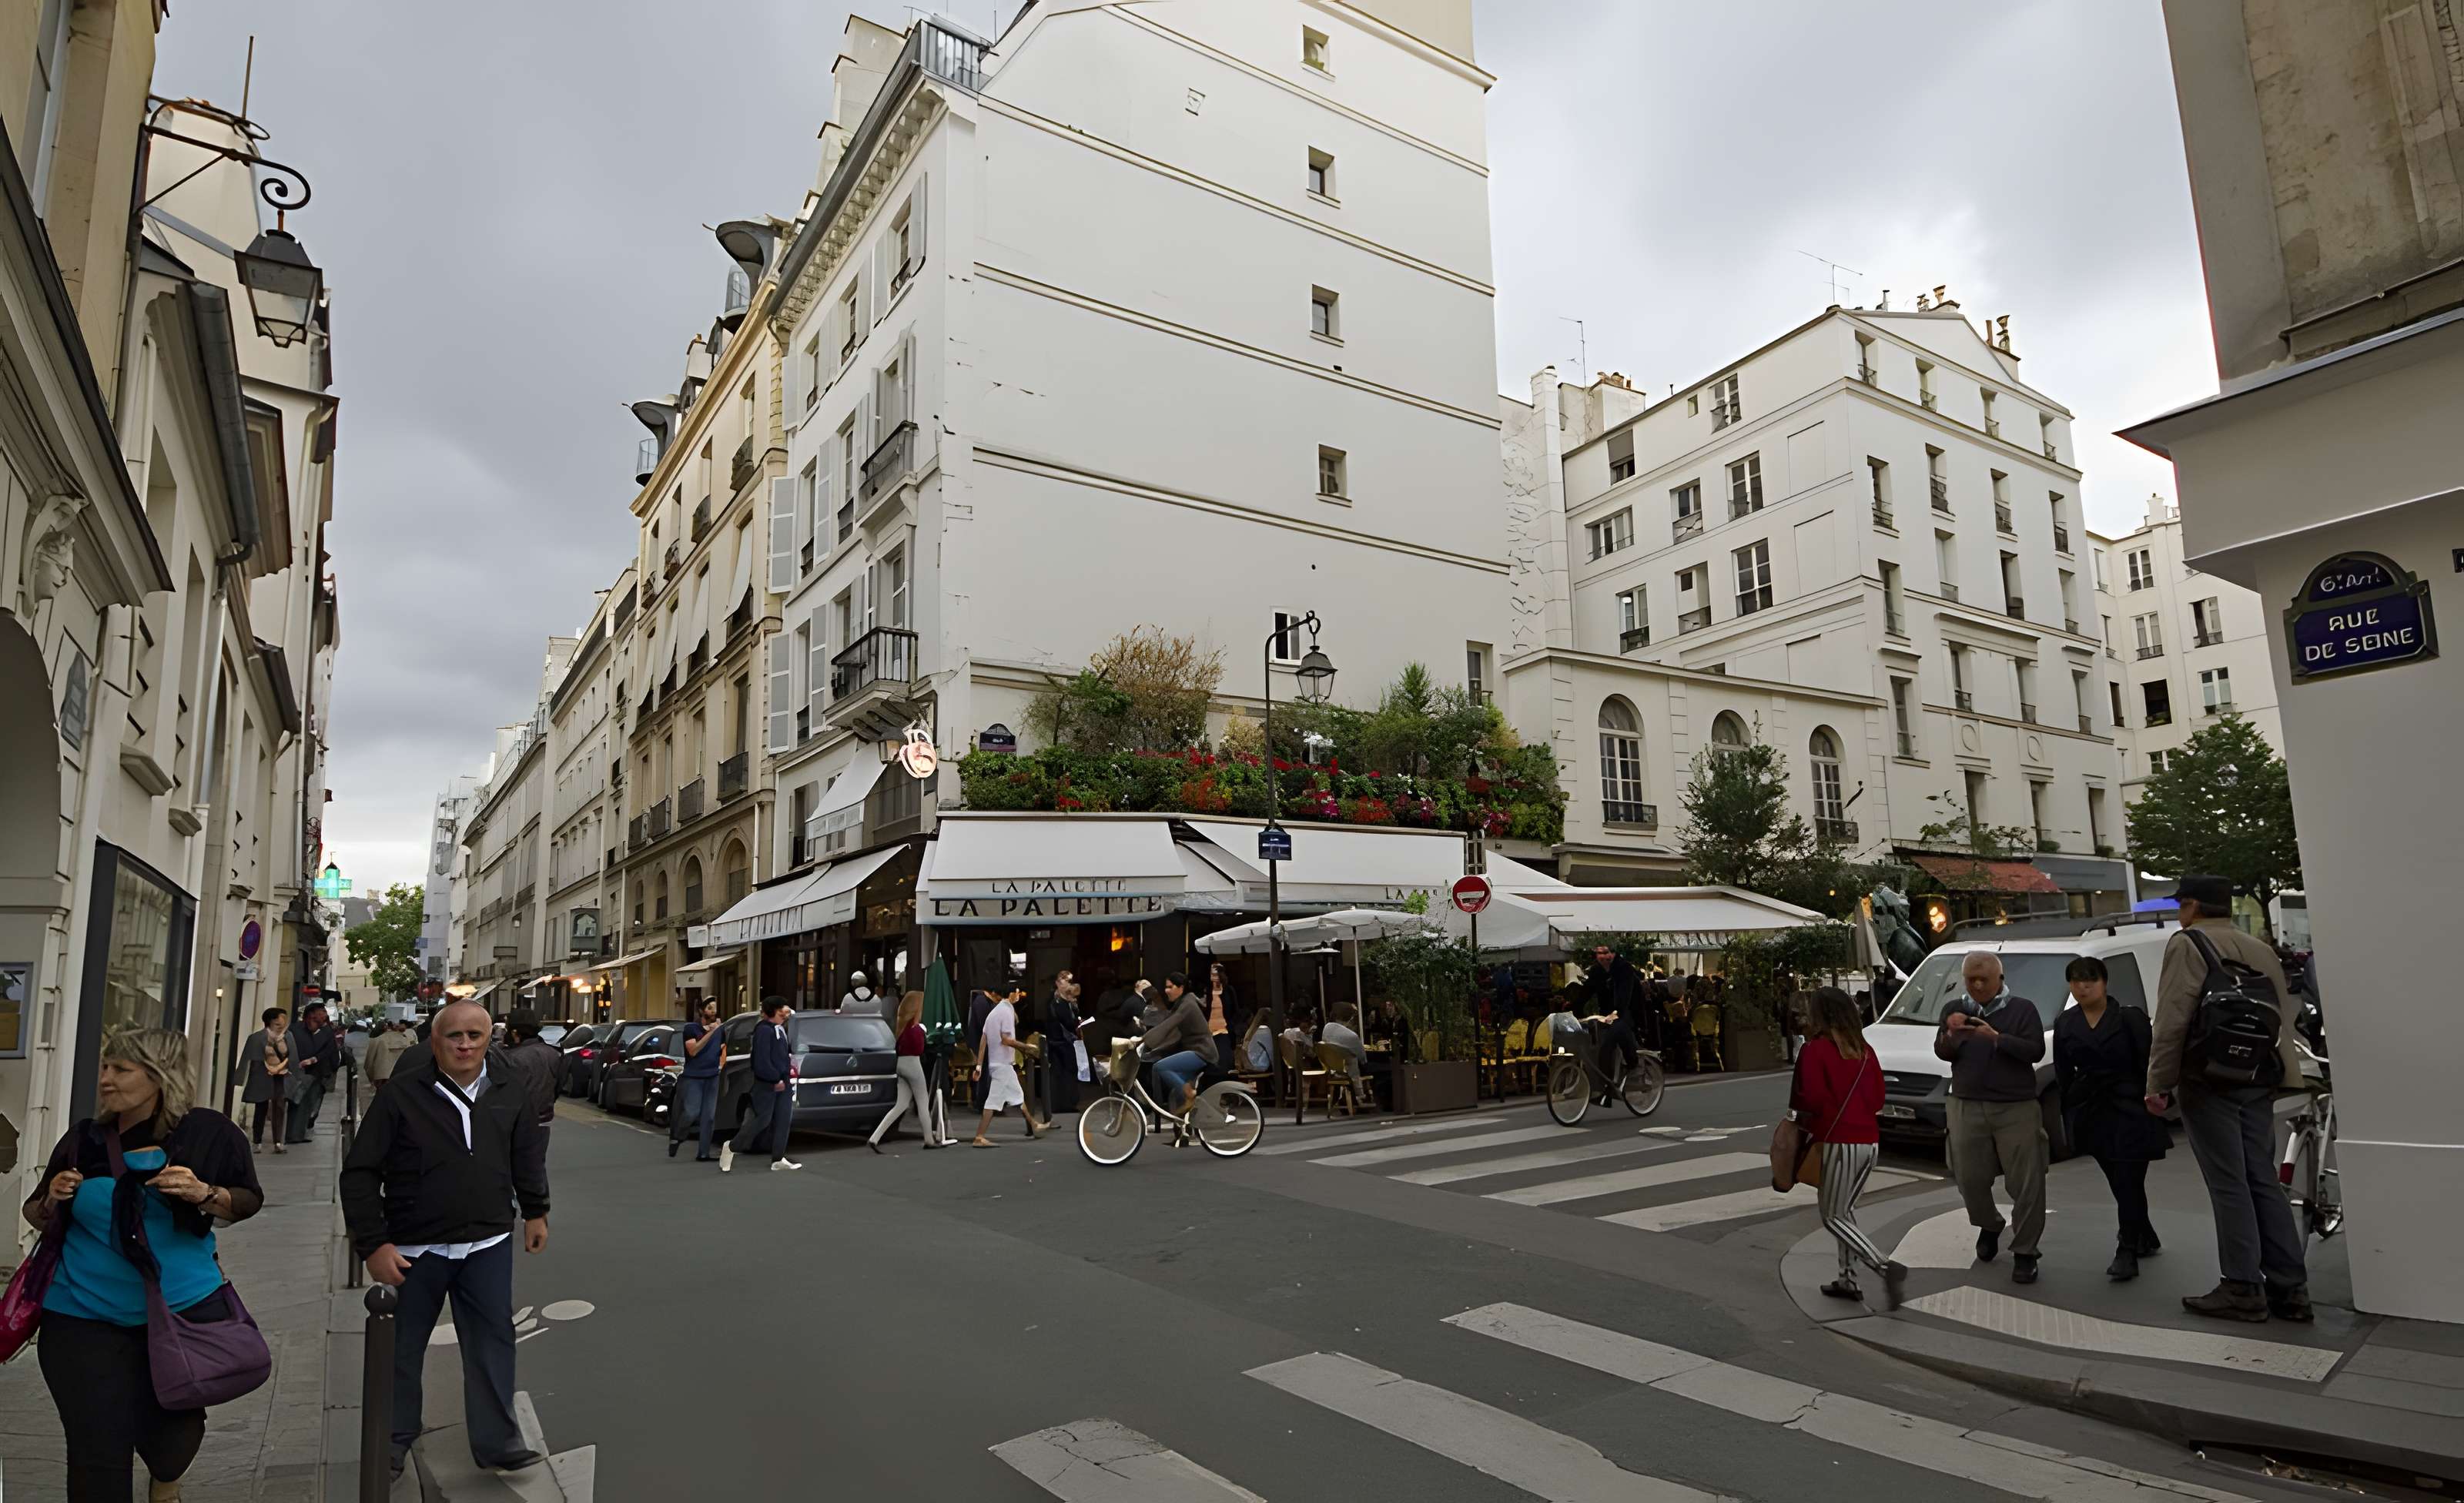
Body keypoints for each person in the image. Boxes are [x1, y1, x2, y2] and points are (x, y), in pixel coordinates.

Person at [25, 1027, 262, 1503]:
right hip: (81, 1317)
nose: (106, 1080)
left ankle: (166, 1479)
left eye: (121, 1069)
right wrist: (51, 1198)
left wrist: (205, 1194)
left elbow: (247, 1200)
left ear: (159, 1076)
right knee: (97, 1450)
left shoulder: (208, 1133)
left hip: (182, 1310)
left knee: (174, 1433)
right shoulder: (84, 1140)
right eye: (105, 1068)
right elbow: (35, 1212)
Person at [340, 1001, 548, 1481]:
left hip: (487, 1244)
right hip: (416, 1250)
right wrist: (373, 1245)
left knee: (494, 1344)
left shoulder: (507, 1091)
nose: (465, 1044)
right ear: (435, 1043)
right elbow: (360, 1173)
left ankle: (498, 1443)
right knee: (401, 1352)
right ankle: (390, 1446)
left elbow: (526, 1157)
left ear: (489, 1038)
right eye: (454, 1036)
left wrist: (536, 1211)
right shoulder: (401, 1097)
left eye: (475, 1035)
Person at [2146, 875, 2310, 1321]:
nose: (2180, 911)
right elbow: (2281, 1017)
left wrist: (2158, 1083)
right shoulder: (2258, 947)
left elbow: (2172, 1020)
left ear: (2194, 906)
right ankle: (2290, 1289)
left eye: (2181, 904)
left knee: (2228, 1182)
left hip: (2209, 1080)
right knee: (2261, 1177)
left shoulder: (2188, 943)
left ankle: (2241, 1287)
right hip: (2259, 1078)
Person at [1935, 950, 2049, 1284]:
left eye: (1985, 979)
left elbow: (2035, 1051)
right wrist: (1950, 1036)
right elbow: (1942, 1052)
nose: (1978, 985)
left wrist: (1997, 1038)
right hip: (1966, 1103)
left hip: (2015, 1106)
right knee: (1968, 1177)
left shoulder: (2022, 1009)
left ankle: (2026, 1252)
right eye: (1972, 979)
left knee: (2027, 1182)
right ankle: (1989, 1223)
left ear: (2001, 978)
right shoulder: (1954, 1009)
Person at [1791, 986, 1907, 1310]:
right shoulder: (1864, 1049)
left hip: (1836, 1139)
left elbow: (1810, 1099)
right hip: (1869, 1141)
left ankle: (1883, 1266)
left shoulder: (1815, 1050)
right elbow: (1878, 1100)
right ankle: (1847, 1279)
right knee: (1847, 1211)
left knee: (1832, 1216)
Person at [2054, 956, 2168, 1281]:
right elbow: (2063, 1074)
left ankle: (2127, 1248)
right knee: (2118, 1180)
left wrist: (2157, 1099)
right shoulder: (2066, 1023)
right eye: (2076, 981)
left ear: (2105, 983)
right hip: (2092, 1109)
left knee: (2128, 1177)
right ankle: (2144, 1233)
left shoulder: (2129, 1017)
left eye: (2090, 980)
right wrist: (2070, 1113)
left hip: (2131, 1108)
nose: (2083, 987)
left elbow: (2150, 1062)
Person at [723, 998, 800, 1173]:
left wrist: (784, 1078)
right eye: (782, 1010)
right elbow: (760, 1061)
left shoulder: (779, 1029)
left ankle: (778, 1158)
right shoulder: (764, 1031)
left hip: (783, 1083)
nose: (785, 1013)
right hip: (767, 1085)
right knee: (761, 1120)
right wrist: (775, 1079)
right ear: (772, 1011)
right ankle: (732, 1146)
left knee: (783, 1121)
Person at [869, 991, 945, 1152]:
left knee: (901, 1105)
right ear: (916, 1009)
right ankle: (929, 1140)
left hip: (901, 1064)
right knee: (923, 1104)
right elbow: (919, 1049)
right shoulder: (916, 1029)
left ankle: (875, 1137)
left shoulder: (902, 1028)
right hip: (913, 1064)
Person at [1138, 972, 1219, 1119]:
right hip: (1195, 1050)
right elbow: (1168, 1028)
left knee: (1160, 1067)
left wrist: (1142, 1040)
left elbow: (1169, 1024)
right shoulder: (1182, 1003)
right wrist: (1149, 1046)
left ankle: (1189, 1094)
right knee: (1175, 1095)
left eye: (1170, 987)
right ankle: (1183, 1132)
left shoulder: (1187, 1004)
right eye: (1166, 987)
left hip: (1202, 1052)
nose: (1166, 990)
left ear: (1181, 988)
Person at [971, 986, 1041, 1146]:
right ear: (1011, 994)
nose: (1019, 995)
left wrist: (979, 1066)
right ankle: (979, 1137)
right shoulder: (1006, 1011)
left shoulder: (994, 1012)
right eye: (1017, 992)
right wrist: (1026, 1047)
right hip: (1002, 1064)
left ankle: (1034, 1125)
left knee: (1018, 1096)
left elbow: (984, 1039)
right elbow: (1006, 1040)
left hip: (999, 1063)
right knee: (993, 1102)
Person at [669, 998, 726, 1161]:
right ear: (701, 1011)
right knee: (692, 1112)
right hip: (693, 1077)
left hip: (712, 1076)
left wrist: (722, 1064)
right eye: (710, 1008)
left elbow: (722, 1049)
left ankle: (703, 1153)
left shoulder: (720, 1030)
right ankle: (677, 1137)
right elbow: (693, 1050)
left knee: (709, 1116)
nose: (713, 1011)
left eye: (715, 1008)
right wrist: (711, 1032)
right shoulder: (691, 1029)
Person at [502, 1008, 563, 1150]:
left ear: (515, 1033)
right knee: (535, 1166)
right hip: (543, 1121)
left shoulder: (510, 1057)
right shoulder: (553, 1054)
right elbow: (558, 1086)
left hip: (515, 1122)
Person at [284, 1003, 342, 1143]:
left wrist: (314, 1060)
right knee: (297, 1102)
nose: (325, 1015)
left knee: (312, 1104)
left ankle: (303, 1131)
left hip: (318, 1073)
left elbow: (330, 1050)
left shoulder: (327, 1031)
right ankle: (293, 1134)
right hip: (298, 1073)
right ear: (312, 1015)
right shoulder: (295, 1029)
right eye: (321, 1012)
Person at [1587, 946, 1643, 1087]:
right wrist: (1571, 1007)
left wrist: (1616, 1013)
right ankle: (1601, 1079)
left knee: (1612, 1037)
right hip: (1606, 1014)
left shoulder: (1624, 969)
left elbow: (1624, 997)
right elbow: (1586, 991)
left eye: (1606, 953)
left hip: (1629, 1011)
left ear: (1614, 954)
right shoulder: (1596, 971)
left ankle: (1631, 1066)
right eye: (1599, 953)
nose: (1602, 957)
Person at [240, 1006, 291, 1152]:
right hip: (263, 1075)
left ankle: (275, 1142)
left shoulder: (287, 1037)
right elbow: (248, 1059)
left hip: (280, 1076)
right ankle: (259, 1141)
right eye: (280, 1020)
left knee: (277, 1108)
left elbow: (292, 1057)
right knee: (262, 1108)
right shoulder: (257, 1038)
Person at [1043, 972, 1083, 1118]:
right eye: (1068, 981)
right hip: (1059, 1041)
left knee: (1067, 1071)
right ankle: (1061, 1103)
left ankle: (1068, 1102)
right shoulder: (1056, 1002)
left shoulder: (1068, 1001)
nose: (1070, 984)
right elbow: (1066, 1021)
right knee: (1061, 1072)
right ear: (1059, 983)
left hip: (1063, 1041)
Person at [1203, 962, 1243, 1068]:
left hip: (1226, 1030)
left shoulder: (1229, 990)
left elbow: (1236, 1011)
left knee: (1226, 1058)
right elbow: (1206, 1011)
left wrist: (1231, 1025)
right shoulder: (1208, 991)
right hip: (1211, 1030)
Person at [363, 1017, 414, 1094]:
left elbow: (369, 1063)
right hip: (403, 1078)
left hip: (382, 1079)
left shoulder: (377, 1040)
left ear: (386, 1026)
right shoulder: (408, 1040)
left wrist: (372, 1079)